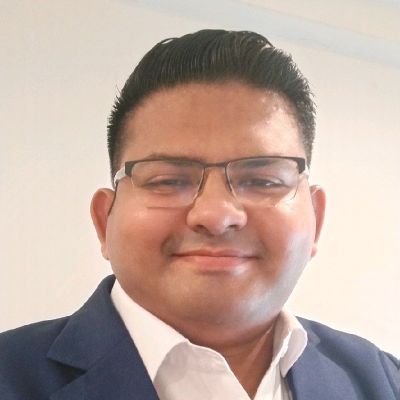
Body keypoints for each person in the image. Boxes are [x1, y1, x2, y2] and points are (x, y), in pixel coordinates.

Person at [0, 29, 398, 400]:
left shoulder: (384, 381)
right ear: (104, 221)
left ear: (316, 219)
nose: (216, 214)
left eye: (262, 180)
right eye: (169, 180)